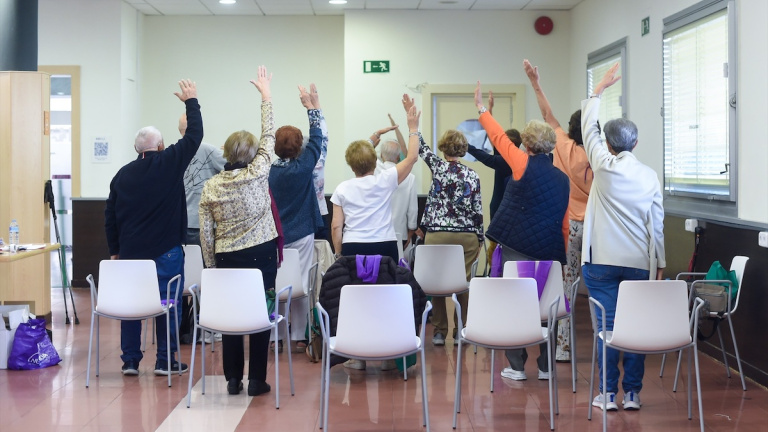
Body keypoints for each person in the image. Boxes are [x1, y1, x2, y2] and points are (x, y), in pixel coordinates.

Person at [581, 63, 665, 412]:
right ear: (636, 143)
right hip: (638, 265)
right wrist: (660, 263)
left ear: (607, 144)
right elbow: (656, 225)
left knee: (608, 327)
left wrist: (598, 89)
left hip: (600, 262)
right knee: (634, 327)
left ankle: (606, 394)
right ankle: (632, 394)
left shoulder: (602, 165)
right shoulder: (650, 176)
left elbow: (588, 126)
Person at [104, 79, 201, 377]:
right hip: (166, 252)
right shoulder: (170, 162)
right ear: (160, 146)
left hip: (131, 254)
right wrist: (191, 101)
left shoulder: (122, 175)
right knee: (168, 305)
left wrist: (115, 250)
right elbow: (194, 135)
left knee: (132, 306)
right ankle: (165, 361)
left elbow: (110, 216)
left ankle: (130, 361)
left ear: (137, 149)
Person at [475, 81, 570, 381]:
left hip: (517, 247)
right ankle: (546, 367)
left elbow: (499, 138)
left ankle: (516, 366)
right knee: (547, 307)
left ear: (526, 145)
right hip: (551, 250)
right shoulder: (562, 179)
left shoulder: (521, 163)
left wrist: (482, 109)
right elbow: (564, 223)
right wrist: (563, 256)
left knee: (514, 304)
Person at [198, 65, 277, 397]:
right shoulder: (259, 171)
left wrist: (210, 266)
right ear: (253, 153)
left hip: (226, 257)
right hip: (262, 255)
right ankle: (256, 379)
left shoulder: (211, 186)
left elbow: (205, 233)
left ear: (226, 153)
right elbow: (269, 135)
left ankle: (232, 378)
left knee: (230, 316)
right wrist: (266, 96)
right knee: (260, 314)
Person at [330, 95, 421, 370]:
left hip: (353, 248)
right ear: (375, 161)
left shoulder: (343, 188)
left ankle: (357, 357)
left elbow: (336, 226)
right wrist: (412, 126)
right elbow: (412, 157)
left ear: (350, 165)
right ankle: (388, 356)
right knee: (386, 299)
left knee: (357, 301)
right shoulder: (385, 180)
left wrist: (339, 253)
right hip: (384, 246)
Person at [524, 59, 594, 363]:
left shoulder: (562, 145)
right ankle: (609, 340)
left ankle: (562, 347)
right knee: (599, 287)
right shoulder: (598, 157)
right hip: (595, 230)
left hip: (568, 227)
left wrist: (535, 83)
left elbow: (547, 115)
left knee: (566, 287)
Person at [403, 98, 485, 347]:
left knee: (437, 281)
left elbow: (421, 148)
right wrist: (480, 238)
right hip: (466, 236)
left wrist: (413, 124)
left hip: (437, 234)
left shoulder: (438, 167)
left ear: (443, 148)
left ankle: (439, 331)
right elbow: (477, 210)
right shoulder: (472, 175)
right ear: (463, 150)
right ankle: (463, 330)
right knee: (463, 283)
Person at [268, 83, 325, 353]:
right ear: (299, 146)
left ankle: (275, 336)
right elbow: (318, 139)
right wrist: (312, 108)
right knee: (301, 284)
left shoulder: (267, 171)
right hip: (302, 232)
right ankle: (300, 336)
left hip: (275, 235)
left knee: (277, 284)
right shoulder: (304, 166)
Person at [179, 112, 226, 345]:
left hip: (180, 225)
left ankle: (182, 328)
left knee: (184, 277)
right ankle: (208, 328)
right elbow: (233, 170)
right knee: (208, 275)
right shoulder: (209, 151)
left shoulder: (175, 152)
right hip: (204, 225)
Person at [466, 91, 521, 267]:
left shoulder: (505, 162)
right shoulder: (518, 159)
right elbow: (494, 135)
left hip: (501, 209)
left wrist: (466, 145)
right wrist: (489, 111)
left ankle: (497, 271)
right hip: (504, 208)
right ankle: (498, 270)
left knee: (498, 247)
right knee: (501, 247)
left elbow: (484, 155)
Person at [181, 114, 225, 246]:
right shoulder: (208, 150)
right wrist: (229, 153)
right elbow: (235, 168)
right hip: (203, 222)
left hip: (181, 222)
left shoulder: (173, 152)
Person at [374, 139, 418, 247]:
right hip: (400, 232)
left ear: (381, 155)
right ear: (398, 157)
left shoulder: (375, 172)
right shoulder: (410, 177)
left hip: (376, 233)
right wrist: (411, 230)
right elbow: (413, 209)